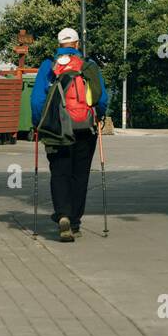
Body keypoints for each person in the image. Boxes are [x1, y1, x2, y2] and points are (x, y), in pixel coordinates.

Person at [30, 27, 108, 242]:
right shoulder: (88, 65)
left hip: (56, 129)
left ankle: (62, 214)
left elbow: (37, 100)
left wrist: (38, 124)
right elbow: (101, 99)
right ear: (77, 44)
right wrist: (99, 117)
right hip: (84, 128)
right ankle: (74, 222)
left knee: (60, 172)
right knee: (80, 175)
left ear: (59, 44)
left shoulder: (48, 66)